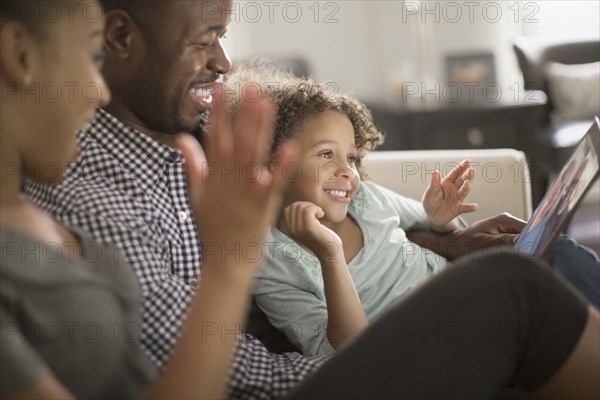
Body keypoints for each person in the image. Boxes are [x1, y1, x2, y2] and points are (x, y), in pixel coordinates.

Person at [17, 0, 600, 398]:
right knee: (514, 288)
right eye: (204, 40)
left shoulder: (181, 133)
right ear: (119, 38)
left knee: (538, 266)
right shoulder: (93, 190)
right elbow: (210, 373)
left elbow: (326, 204)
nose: (222, 63)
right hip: (303, 374)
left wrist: (438, 244)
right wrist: (399, 337)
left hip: (319, 347)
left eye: (224, 38)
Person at [0, 0, 295, 397]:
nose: (100, 90)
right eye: (90, 56)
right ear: (19, 54)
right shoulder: (82, 196)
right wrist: (228, 267)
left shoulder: (34, 219)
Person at [243, 72, 479, 356]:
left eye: (351, 157)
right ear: (274, 164)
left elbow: (446, 229)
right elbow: (344, 354)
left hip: (464, 297)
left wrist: (441, 219)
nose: (347, 171)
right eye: (327, 154)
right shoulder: (271, 263)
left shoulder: (368, 198)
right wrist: (330, 253)